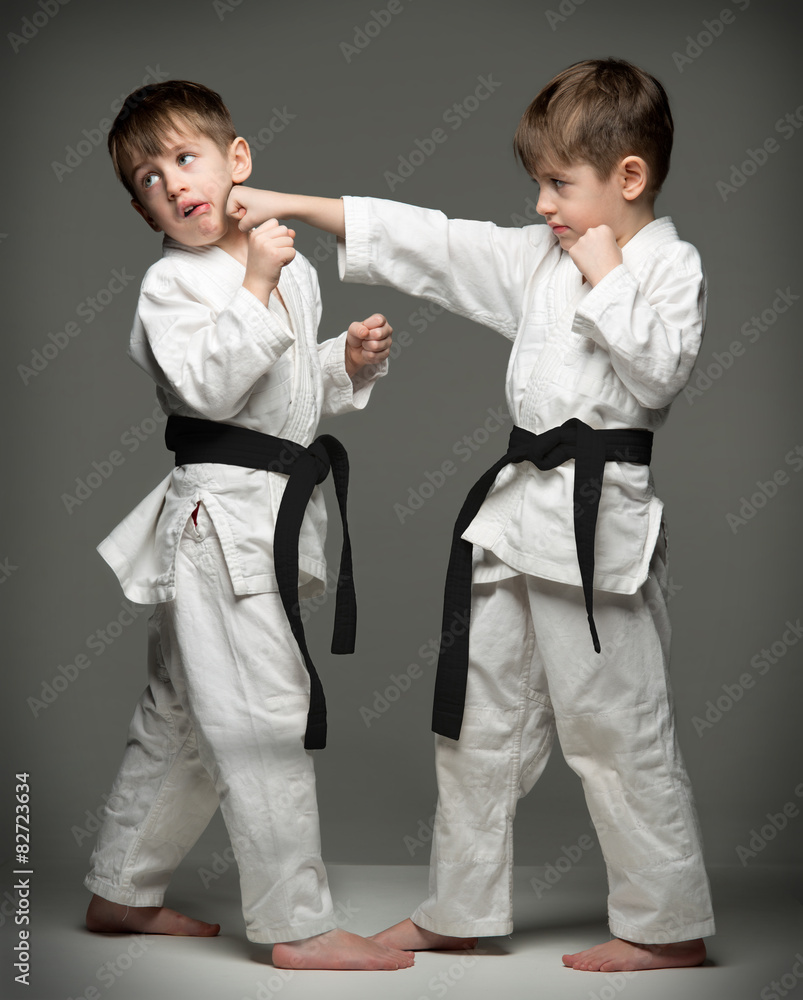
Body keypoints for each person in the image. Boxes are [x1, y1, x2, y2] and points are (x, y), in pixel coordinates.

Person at [226, 58, 716, 973]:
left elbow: (659, 371)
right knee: (475, 725)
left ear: (628, 178)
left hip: (594, 529)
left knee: (616, 730)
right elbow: (437, 245)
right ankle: (460, 906)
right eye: (537, 183)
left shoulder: (668, 267)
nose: (540, 205)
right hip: (511, 521)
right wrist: (297, 200)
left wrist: (607, 270)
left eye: (558, 184)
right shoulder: (541, 257)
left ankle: (667, 925)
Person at [83, 80, 414, 972]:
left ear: (238, 161)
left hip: (267, 509)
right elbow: (207, 388)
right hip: (215, 523)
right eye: (149, 178)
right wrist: (257, 279)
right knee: (265, 713)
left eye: (186, 159)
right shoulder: (171, 282)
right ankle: (296, 925)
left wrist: (340, 362)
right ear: (139, 204)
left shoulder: (289, 265)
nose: (173, 184)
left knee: (184, 714)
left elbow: (284, 396)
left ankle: (121, 888)